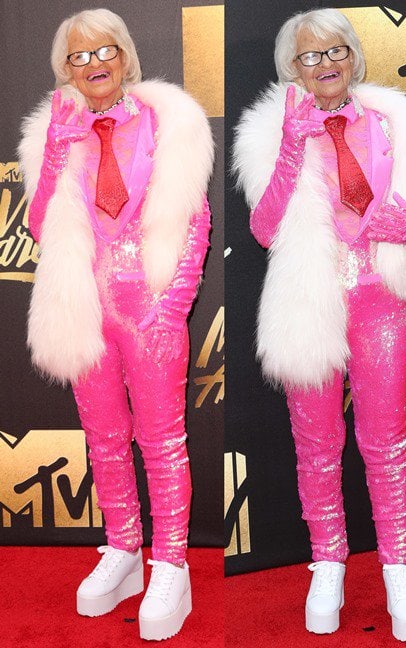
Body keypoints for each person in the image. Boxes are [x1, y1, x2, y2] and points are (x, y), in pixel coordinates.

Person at [232, 8, 406, 642]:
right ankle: (328, 562)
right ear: (291, 69)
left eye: (335, 53)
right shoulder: (270, 133)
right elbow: (265, 229)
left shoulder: (393, 123)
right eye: (309, 57)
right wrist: (294, 147)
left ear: (353, 56)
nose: (324, 66)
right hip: (307, 303)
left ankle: (399, 565)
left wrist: (405, 225)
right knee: (316, 445)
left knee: (386, 443)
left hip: (379, 298)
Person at [18, 8, 213, 641]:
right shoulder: (58, 130)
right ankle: (123, 548)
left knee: (162, 440)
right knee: (104, 437)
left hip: (149, 305)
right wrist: (50, 157)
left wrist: (173, 304)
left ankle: (171, 563)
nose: (92, 64)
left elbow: (195, 218)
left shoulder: (168, 123)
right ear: (64, 69)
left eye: (102, 50)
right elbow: (41, 226)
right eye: (77, 57)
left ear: (124, 55)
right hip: (82, 303)